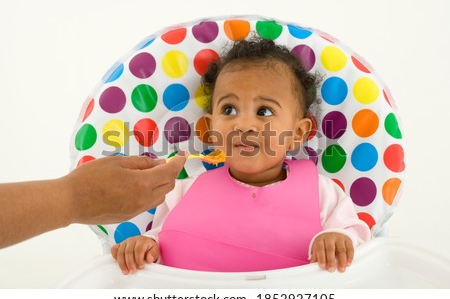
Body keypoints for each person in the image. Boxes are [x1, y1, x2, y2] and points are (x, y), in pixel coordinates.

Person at [111, 36, 371, 275]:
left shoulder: (320, 192)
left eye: (264, 112)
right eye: (229, 109)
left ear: (298, 133)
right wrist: (146, 246)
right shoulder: (183, 191)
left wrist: (337, 238)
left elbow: (356, 236)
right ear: (211, 129)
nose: (243, 124)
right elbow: (164, 241)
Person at [0, 154, 187, 249]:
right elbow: (166, 236)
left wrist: (76, 196)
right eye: (219, 108)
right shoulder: (181, 192)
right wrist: (146, 245)